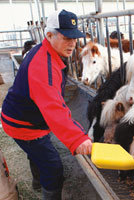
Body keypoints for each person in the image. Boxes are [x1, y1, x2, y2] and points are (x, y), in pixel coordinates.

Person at [1, 9, 92, 199]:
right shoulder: (43, 65)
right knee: (53, 167)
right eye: (67, 37)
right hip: (24, 125)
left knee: (37, 152)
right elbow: (53, 108)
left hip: (19, 116)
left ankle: (37, 181)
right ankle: (47, 190)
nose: (73, 43)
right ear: (49, 35)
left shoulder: (50, 53)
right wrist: (78, 139)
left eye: (75, 38)